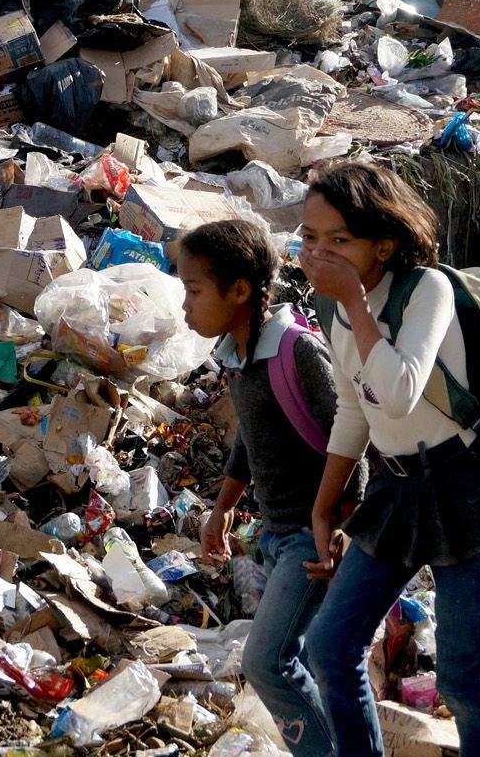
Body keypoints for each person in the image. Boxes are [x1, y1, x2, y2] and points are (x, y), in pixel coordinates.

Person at [295, 160, 480, 757]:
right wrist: (324, 505)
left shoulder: (427, 290)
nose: (320, 255)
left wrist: (358, 307)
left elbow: (397, 390)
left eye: (340, 241)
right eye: (310, 239)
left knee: (464, 679)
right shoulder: (336, 312)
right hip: (395, 492)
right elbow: (355, 408)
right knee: (330, 649)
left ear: (383, 245)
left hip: (463, 487)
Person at [176, 219, 355, 755]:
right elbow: (251, 438)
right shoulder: (239, 355)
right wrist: (222, 509)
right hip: (276, 533)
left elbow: (353, 435)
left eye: (194, 291)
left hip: (311, 535)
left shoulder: (295, 351)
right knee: (300, 658)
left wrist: (338, 523)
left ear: (240, 291)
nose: (185, 307)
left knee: (266, 661)